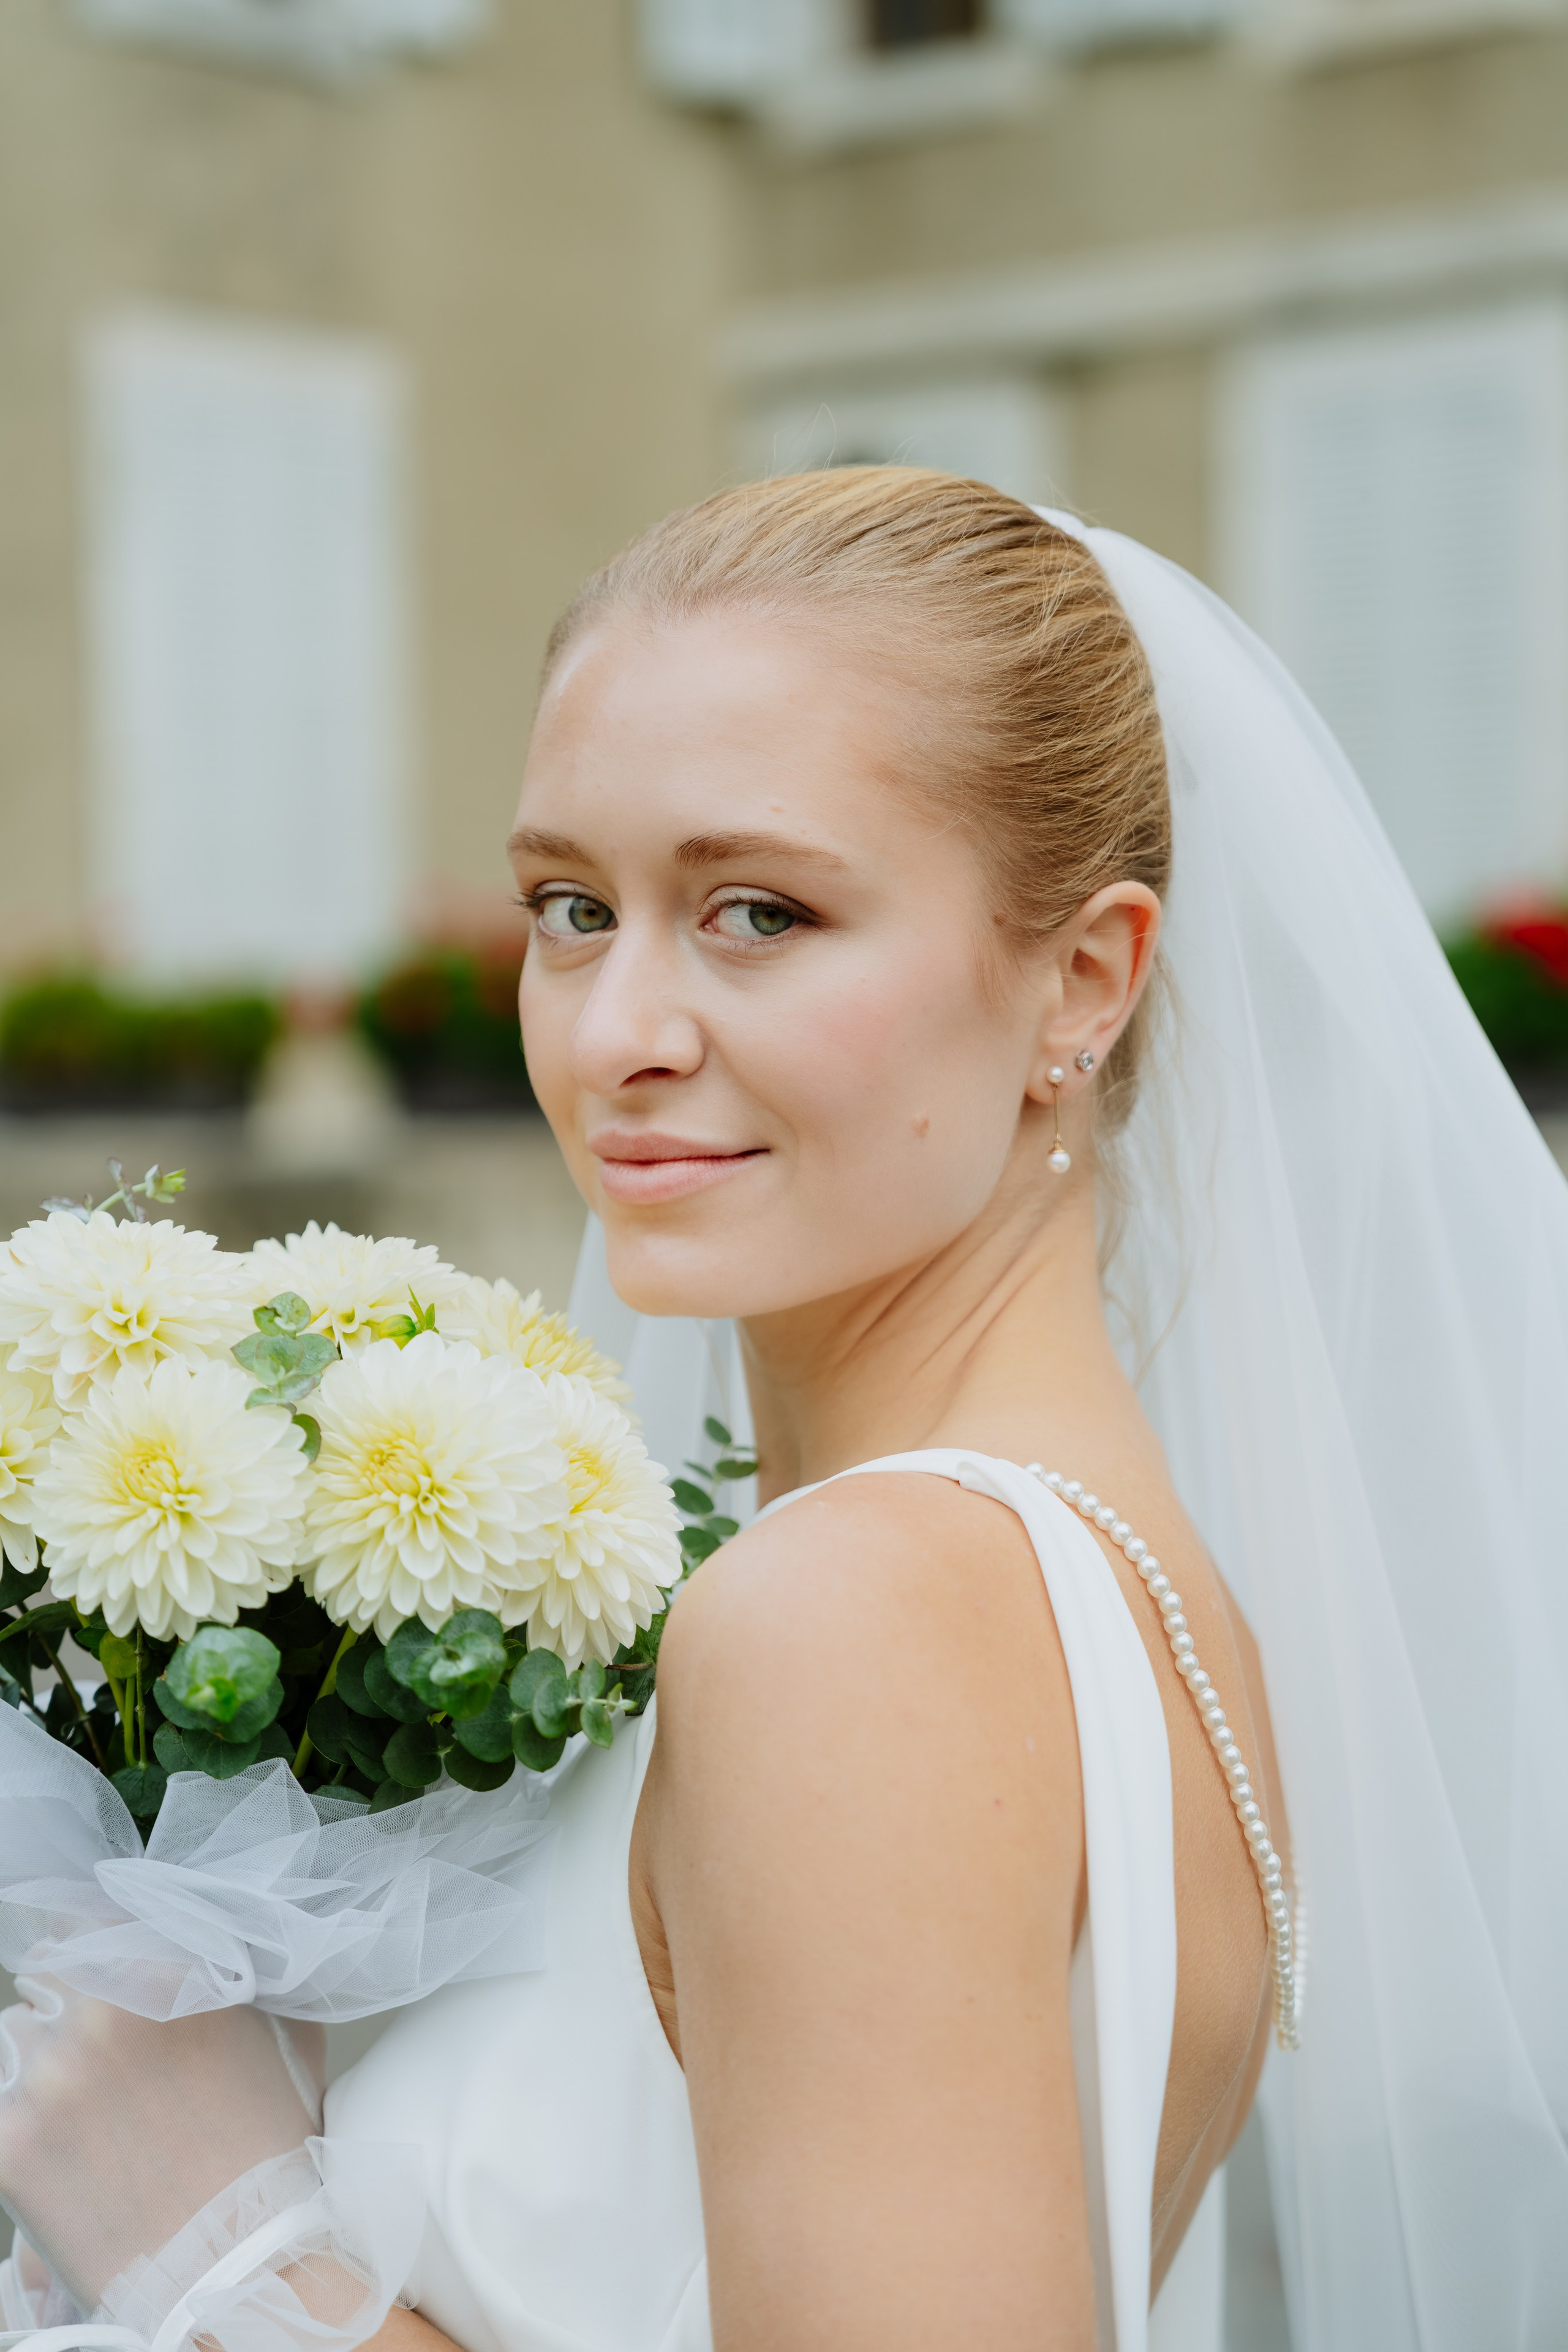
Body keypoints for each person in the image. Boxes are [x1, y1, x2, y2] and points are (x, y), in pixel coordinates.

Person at [2, 470, 1565, 2352]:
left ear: (1083, 979)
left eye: (757, 911)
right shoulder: (1121, 1583)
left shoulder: (857, 1624)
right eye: (572, 907)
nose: (613, 1032)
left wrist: (223, 2249)